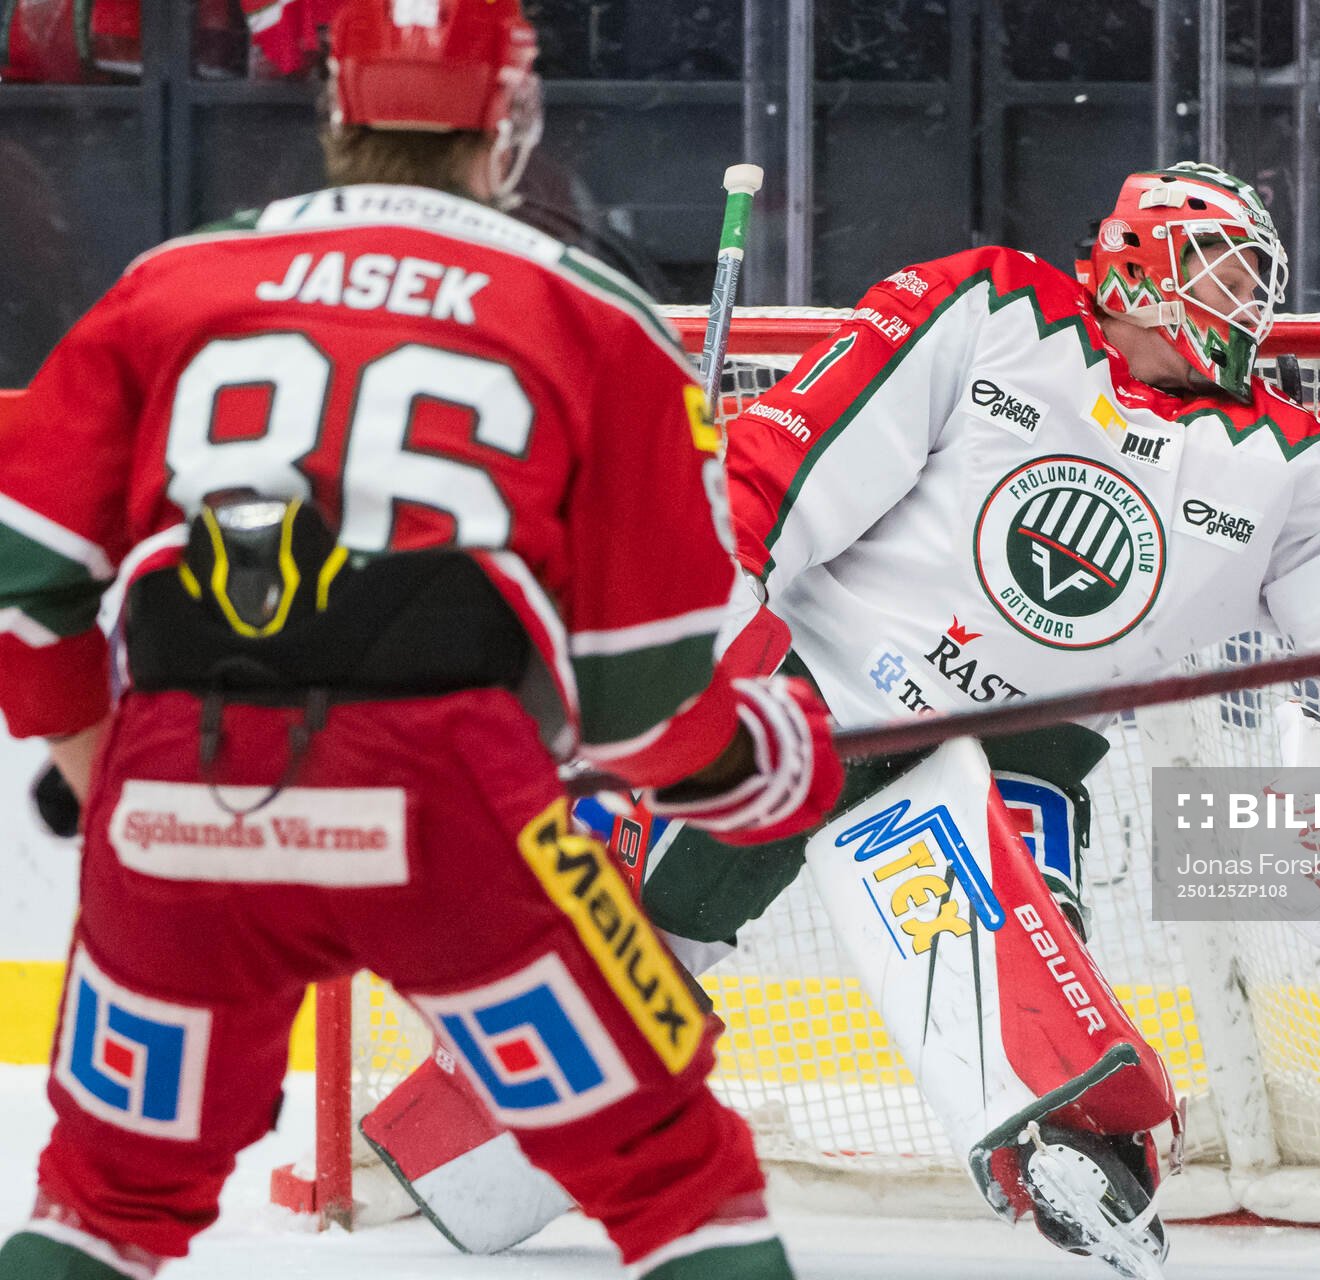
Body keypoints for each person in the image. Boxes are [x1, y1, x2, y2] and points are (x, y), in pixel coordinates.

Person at [388, 161, 1320, 1280]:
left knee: (1029, 973)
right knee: (632, 929)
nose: (1243, 300)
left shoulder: (1291, 464)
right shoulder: (991, 308)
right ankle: (499, 1111)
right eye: (1220, 267)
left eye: (1256, 279)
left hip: (1017, 746)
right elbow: (794, 447)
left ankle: (1082, 1152)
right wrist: (696, 591)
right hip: (812, 688)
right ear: (1140, 262)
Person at [0, 1, 841, 1277]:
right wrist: (772, 761)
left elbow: (27, 578)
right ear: (510, 127)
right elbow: (643, 712)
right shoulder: (595, 311)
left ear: (335, 109)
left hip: (185, 788)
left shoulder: (170, 284)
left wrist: (98, 759)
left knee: (99, 1202)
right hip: (452, 801)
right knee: (679, 1177)